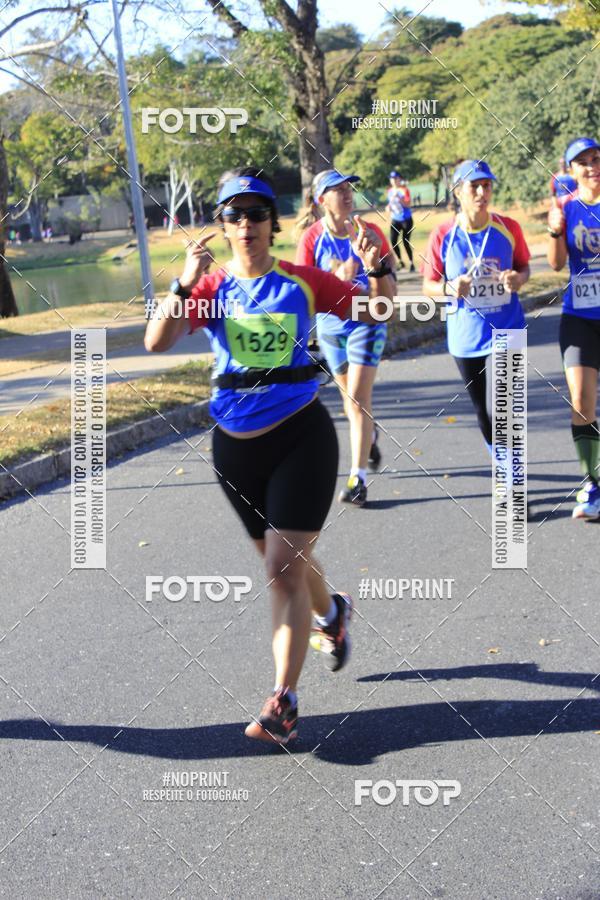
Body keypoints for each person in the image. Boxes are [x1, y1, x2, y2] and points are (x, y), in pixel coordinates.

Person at [144, 166, 394, 744]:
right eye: (235, 214)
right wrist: (184, 280)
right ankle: (333, 613)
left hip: (301, 436)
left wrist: (379, 267)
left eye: (257, 213)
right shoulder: (209, 291)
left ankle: (284, 698)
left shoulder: (303, 282)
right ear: (224, 226)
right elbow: (156, 341)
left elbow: (376, 312)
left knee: (281, 567)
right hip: (234, 450)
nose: (247, 224)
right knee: (291, 562)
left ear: (271, 224)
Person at [295, 169, 395, 507]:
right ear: (322, 200)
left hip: (367, 323)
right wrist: (330, 279)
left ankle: (357, 480)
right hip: (330, 329)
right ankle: (370, 435)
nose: (347, 194)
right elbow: (299, 293)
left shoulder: (372, 232)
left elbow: (389, 297)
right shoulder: (311, 239)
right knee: (352, 404)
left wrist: (373, 267)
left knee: (356, 399)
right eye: (337, 190)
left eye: (349, 187)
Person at [422, 159, 530, 468]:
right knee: (484, 410)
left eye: (487, 185)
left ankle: (511, 476)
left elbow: (524, 267)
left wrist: (518, 279)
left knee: (506, 406)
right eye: (475, 186)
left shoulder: (509, 228)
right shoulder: (443, 235)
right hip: (466, 334)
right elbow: (429, 285)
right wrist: (450, 288)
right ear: (458, 191)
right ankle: (502, 461)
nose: (482, 192)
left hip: (507, 327)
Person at [547, 137, 600, 519]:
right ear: (571, 171)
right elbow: (554, 264)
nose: (591, 166)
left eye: (596, 158)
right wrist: (553, 231)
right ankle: (592, 482)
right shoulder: (566, 209)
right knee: (581, 400)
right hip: (578, 316)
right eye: (582, 162)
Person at [386, 171, 415, 272]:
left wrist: (400, 199)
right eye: (391, 178)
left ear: (399, 179)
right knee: (393, 241)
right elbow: (390, 205)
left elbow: (408, 204)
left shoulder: (404, 190)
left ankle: (411, 263)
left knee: (405, 241)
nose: (393, 180)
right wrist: (388, 208)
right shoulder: (389, 191)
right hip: (395, 219)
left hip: (406, 219)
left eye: (395, 178)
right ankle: (400, 262)